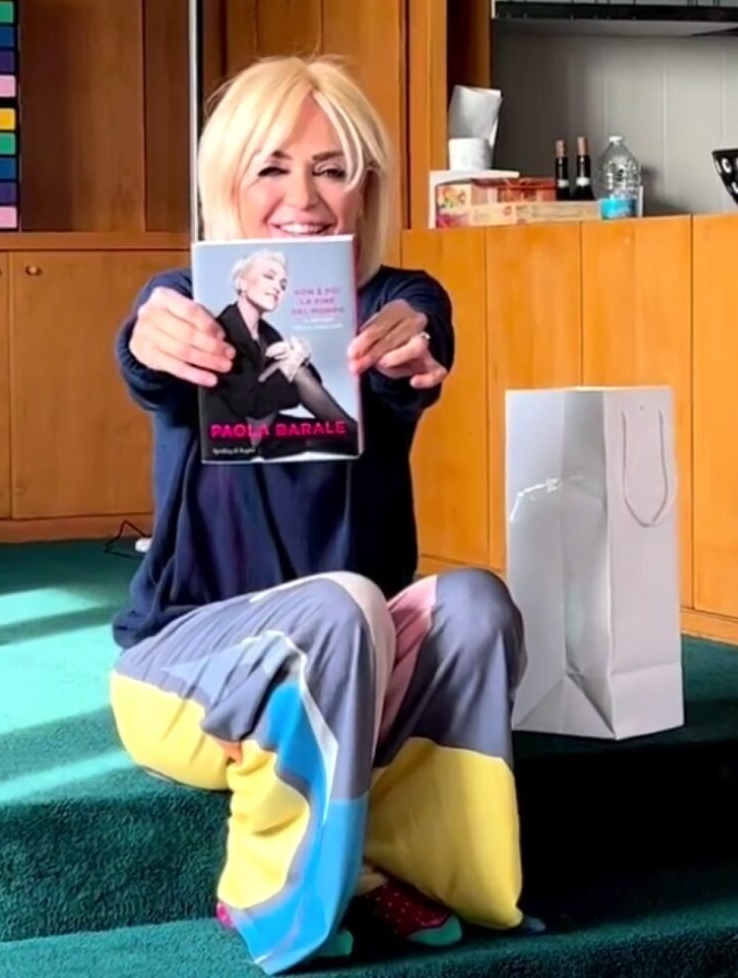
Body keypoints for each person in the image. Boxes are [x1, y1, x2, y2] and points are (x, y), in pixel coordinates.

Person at [110, 54, 538, 975]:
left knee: (475, 604)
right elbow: (147, 351)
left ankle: (415, 858)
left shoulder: (397, 302)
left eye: (332, 168)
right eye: (272, 167)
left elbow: (420, 331)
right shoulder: (183, 303)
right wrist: (151, 340)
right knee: (341, 602)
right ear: (227, 180)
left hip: (354, 668)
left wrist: (410, 357)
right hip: (184, 677)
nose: (303, 198)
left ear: (365, 186)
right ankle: (270, 886)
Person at [204, 248, 359, 460]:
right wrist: (286, 367)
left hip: (267, 432)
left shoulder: (269, 334)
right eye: (269, 277)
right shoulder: (222, 330)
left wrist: (300, 359)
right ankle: (358, 433)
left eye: (283, 285)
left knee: (339, 438)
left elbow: (305, 387)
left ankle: (357, 436)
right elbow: (249, 404)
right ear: (242, 283)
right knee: (350, 434)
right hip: (233, 437)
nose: (278, 287)